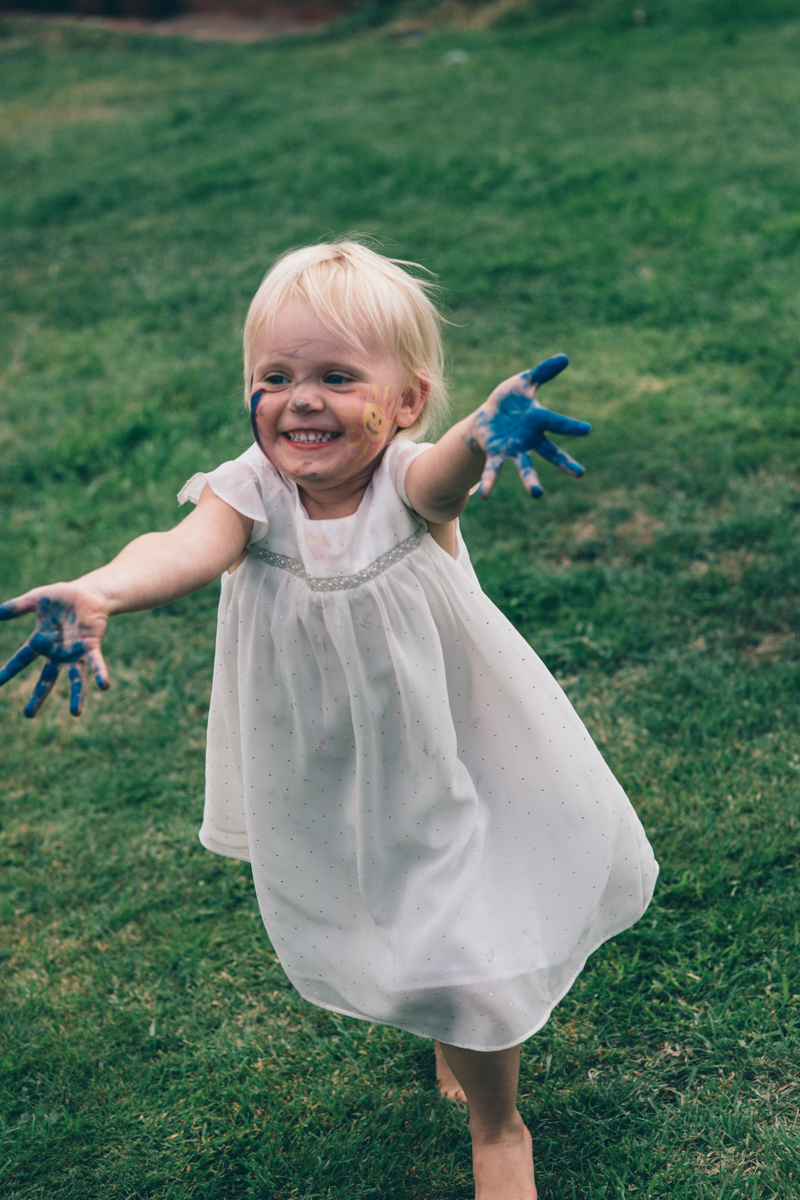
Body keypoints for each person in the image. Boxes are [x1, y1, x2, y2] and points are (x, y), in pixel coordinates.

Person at [0, 240, 658, 1200]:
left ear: (404, 403)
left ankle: (497, 1124)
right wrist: (103, 588)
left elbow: (439, 481)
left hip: (451, 736)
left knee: (462, 930)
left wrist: (478, 436)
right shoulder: (253, 491)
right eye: (275, 376)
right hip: (330, 758)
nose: (300, 398)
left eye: (336, 377)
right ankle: (453, 1024)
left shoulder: (406, 479)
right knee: (400, 907)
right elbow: (181, 545)